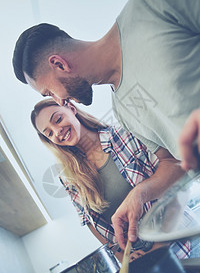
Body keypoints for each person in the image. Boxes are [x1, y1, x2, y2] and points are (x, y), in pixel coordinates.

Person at [12, 0, 200, 249]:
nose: (60, 101)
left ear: (59, 64)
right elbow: (173, 162)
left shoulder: (152, 3)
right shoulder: (123, 110)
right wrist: (140, 193)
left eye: (50, 93)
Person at [30, 98, 200, 261]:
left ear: (71, 109)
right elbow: (91, 223)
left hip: (184, 244)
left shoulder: (125, 133)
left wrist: (159, 246)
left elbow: (176, 181)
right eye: (49, 133)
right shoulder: (69, 178)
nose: (57, 131)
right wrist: (125, 259)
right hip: (145, 264)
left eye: (58, 119)